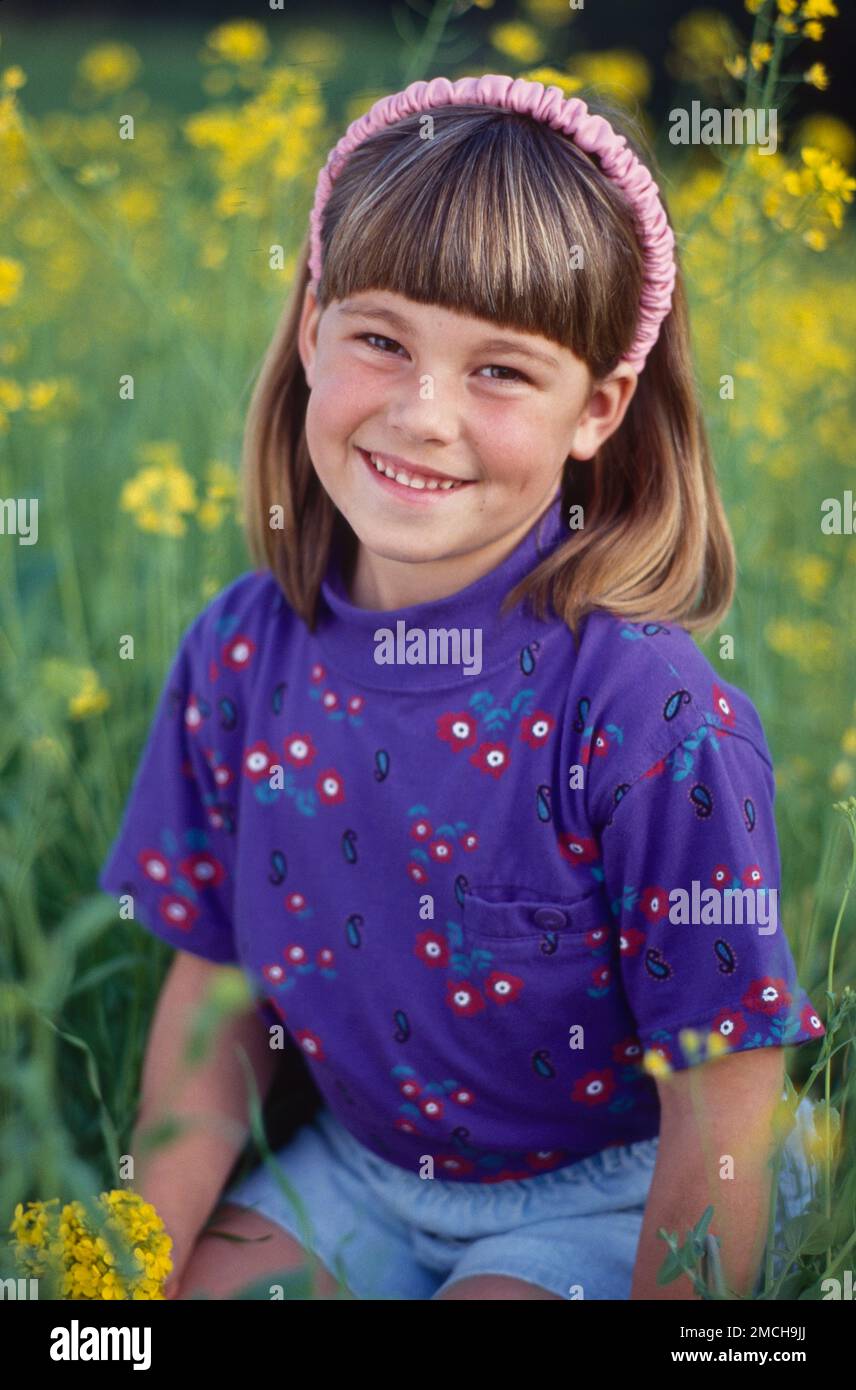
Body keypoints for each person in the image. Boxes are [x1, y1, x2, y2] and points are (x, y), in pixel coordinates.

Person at [98, 74, 826, 1302]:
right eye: (381, 338)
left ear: (595, 410)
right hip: (363, 1171)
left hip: (617, 1187)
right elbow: (214, 993)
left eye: (499, 371)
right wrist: (123, 1281)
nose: (423, 416)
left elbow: (722, 1095)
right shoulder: (238, 651)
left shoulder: (649, 721)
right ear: (313, 323)